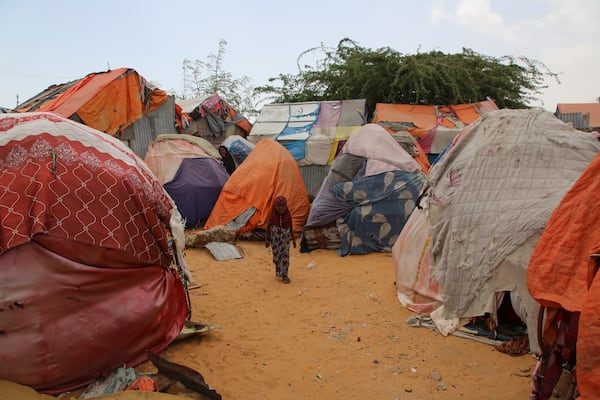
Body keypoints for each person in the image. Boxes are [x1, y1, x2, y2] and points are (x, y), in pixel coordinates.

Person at [265, 195, 296, 283]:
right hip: (275, 243)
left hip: (285, 242)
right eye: (279, 206)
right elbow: (267, 228)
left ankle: (285, 275)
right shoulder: (272, 217)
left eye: (283, 206)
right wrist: (267, 240)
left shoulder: (288, 217)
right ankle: (278, 270)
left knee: (285, 257)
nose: (281, 208)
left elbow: (290, 228)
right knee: (277, 257)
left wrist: (293, 240)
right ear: (275, 207)